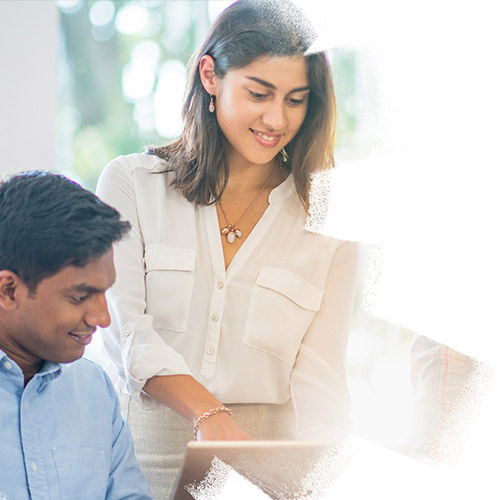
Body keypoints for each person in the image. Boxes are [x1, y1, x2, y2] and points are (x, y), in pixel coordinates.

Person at [96, 0, 358, 496]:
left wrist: (323, 476)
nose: (277, 118)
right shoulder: (132, 184)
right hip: (142, 462)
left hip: (265, 476)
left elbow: (323, 381)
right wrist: (207, 411)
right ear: (211, 76)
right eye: (259, 93)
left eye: (297, 100)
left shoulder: (329, 221)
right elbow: (125, 331)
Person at [0, 171, 153, 499]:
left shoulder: (93, 389)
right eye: (80, 296)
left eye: (105, 293)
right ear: (8, 290)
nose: (102, 317)